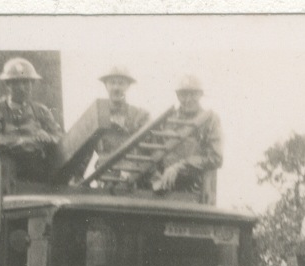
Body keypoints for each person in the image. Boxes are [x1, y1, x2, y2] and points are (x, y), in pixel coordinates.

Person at [0, 57, 62, 232]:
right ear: (7, 85)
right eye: (17, 83)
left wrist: (47, 137)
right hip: (4, 174)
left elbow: (58, 136)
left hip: (35, 172)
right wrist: (28, 141)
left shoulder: (41, 111)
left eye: (27, 82)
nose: (23, 87)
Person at [151, 74, 223, 204]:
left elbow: (216, 157)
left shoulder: (210, 120)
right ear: (178, 96)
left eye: (193, 94)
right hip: (163, 189)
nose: (188, 99)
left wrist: (180, 166)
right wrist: (157, 179)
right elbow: (154, 152)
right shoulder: (166, 120)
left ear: (200, 95)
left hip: (197, 190)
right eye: (183, 95)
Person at [93, 65, 151, 168]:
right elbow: (83, 150)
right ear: (106, 85)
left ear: (128, 86)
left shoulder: (140, 115)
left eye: (121, 83)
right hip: (105, 173)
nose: (116, 88)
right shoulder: (96, 115)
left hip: (133, 172)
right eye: (112, 83)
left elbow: (149, 150)